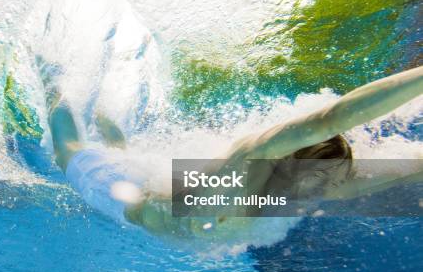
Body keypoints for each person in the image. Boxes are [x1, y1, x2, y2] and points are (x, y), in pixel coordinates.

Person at [42, 57, 422, 234]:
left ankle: (109, 118)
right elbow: (330, 120)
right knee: (70, 149)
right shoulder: (243, 163)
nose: (323, 190)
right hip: (119, 196)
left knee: (122, 153)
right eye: (319, 179)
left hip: (158, 185)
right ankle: (53, 79)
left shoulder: (302, 187)